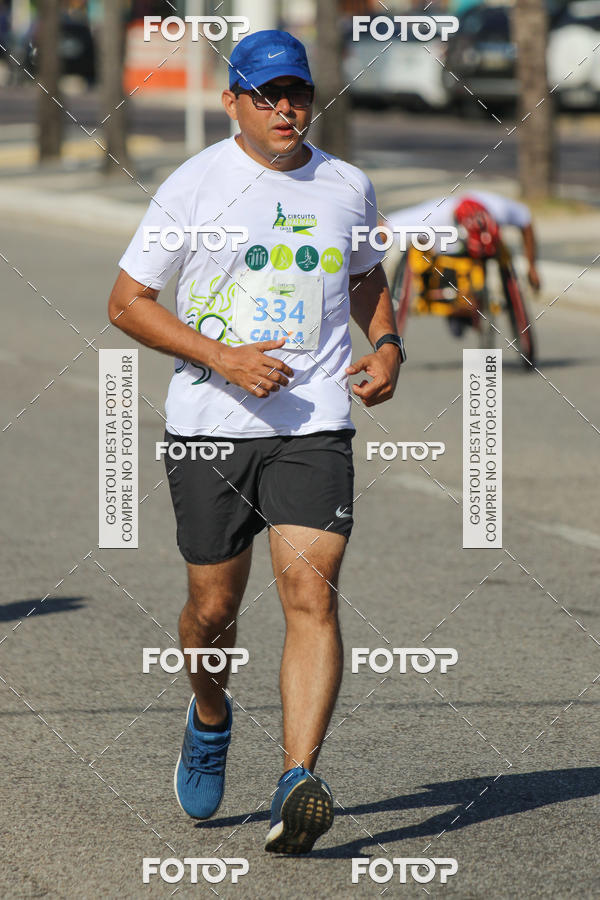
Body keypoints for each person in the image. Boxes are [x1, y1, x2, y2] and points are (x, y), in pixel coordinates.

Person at [108, 29, 404, 854]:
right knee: (214, 610)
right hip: (210, 429)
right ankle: (209, 715)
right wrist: (221, 357)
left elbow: (368, 276)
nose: (286, 109)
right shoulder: (195, 185)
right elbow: (127, 302)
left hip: (312, 426)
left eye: (299, 94)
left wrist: (386, 348)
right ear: (234, 100)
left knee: (313, 594)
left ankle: (296, 778)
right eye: (268, 95)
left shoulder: (346, 185)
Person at [383, 190, 541, 335]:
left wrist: (532, 267)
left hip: (479, 263)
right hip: (442, 266)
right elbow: (384, 228)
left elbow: (526, 221)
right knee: (417, 249)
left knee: (502, 251)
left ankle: (472, 302)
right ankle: (458, 307)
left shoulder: (499, 209)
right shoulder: (433, 215)